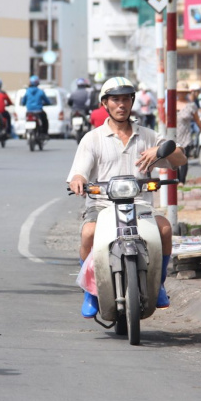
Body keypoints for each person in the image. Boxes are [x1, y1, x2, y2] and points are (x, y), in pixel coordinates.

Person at [67, 76, 187, 318]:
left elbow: (180, 159)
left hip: (140, 204)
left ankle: (159, 284)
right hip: (101, 205)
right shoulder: (92, 139)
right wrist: (78, 180)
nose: (121, 105)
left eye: (125, 99)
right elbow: (79, 171)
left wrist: (163, 149)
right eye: (115, 100)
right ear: (105, 104)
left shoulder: (148, 136)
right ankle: (91, 291)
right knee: (88, 233)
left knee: (164, 229)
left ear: (133, 102)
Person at [176, 83, 201, 183]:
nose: (181, 94)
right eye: (179, 92)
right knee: (173, 159)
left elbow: (197, 120)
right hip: (173, 135)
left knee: (184, 159)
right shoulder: (172, 103)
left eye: (183, 92)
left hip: (185, 135)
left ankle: (182, 181)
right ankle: (176, 180)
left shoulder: (191, 105)